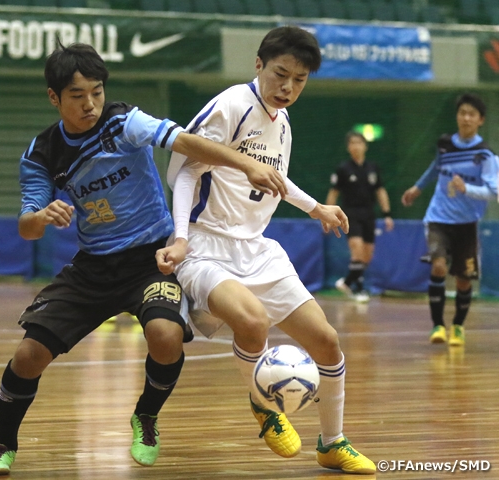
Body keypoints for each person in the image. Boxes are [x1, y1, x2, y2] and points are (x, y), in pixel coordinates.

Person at [0, 43, 287, 475]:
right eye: (77, 96)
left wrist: (244, 164)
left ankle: (146, 416)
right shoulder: (43, 152)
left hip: (151, 260)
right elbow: (26, 225)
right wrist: (42, 216)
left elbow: (186, 141)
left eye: (97, 92)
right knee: (29, 354)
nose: (90, 105)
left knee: (165, 334)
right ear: (54, 97)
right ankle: (2, 445)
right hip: (94, 267)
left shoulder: (124, 122)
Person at [156, 26, 376, 474]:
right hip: (205, 245)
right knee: (253, 321)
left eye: (299, 80)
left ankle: (332, 443)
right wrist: (180, 237)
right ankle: (265, 407)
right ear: (258, 65)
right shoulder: (233, 104)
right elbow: (184, 173)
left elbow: (274, 178)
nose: (288, 87)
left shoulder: (283, 121)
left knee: (327, 342)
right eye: (280, 74)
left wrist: (316, 207)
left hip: (257, 248)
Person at [401, 93, 498, 347]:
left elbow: (493, 191)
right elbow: (436, 167)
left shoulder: (485, 155)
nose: (465, 118)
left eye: (471, 114)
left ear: (480, 120)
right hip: (438, 218)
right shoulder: (445, 144)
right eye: (462, 112)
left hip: (467, 224)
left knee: (464, 279)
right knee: (439, 267)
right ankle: (437, 326)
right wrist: (417, 188)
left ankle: (457, 326)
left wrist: (466, 189)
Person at [326, 131, 394, 302]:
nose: (356, 146)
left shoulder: (372, 168)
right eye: (352, 143)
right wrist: (326, 215)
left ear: (365, 146)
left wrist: (387, 214)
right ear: (348, 147)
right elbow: (333, 193)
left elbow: (380, 191)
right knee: (356, 248)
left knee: (367, 255)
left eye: (359, 143)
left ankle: (348, 282)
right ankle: (359, 289)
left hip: (369, 214)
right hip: (350, 214)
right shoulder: (343, 169)